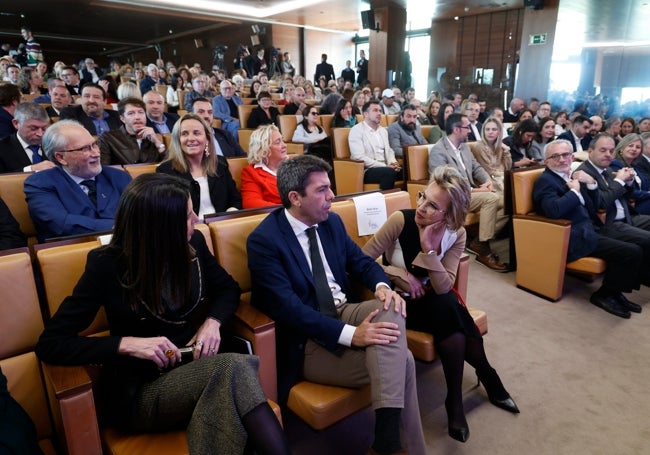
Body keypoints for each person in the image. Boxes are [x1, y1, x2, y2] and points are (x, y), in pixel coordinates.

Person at [35, 173, 290, 454]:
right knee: (234, 368)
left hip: (198, 370)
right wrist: (126, 344)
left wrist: (213, 322)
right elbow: (52, 343)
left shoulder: (195, 244)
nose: (196, 221)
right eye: (188, 216)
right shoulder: (107, 264)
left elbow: (228, 289)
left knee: (230, 381)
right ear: (161, 227)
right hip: (142, 389)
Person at [248, 155, 426, 455]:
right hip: (308, 339)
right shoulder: (264, 241)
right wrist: (351, 335)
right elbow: (290, 309)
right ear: (295, 198)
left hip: (345, 308)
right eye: (322, 190)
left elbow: (359, 262)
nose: (332, 196)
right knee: (404, 360)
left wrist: (382, 287)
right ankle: (395, 445)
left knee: (392, 307)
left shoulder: (331, 221)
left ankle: (386, 443)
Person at [362, 166, 519, 442]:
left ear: (449, 214)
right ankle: (486, 375)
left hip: (434, 300)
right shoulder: (401, 220)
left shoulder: (456, 233)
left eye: (432, 205)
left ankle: (455, 399)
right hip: (399, 302)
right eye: (423, 196)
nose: (421, 207)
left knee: (447, 305)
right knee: (451, 310)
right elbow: (361, 260)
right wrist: (398, 275)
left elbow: (444, 284)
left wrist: (430, 250)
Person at [533, 139, 644, 318]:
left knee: (636, 246)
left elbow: (593, 208)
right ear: (546, 161)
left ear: (572, 156)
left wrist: (591, 184)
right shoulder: (545, 181)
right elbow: (553, 211)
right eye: (556, 156)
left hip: (591, 228)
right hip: (573, 236)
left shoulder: (571, 175)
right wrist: (575, 192)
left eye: (566, 154)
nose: (562, 159)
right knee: (630, 252)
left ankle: (615, 292)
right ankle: (604, 295)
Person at [24, 120, 132, 241]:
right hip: (72, 251)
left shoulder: (119, 177)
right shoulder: (40, 183)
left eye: (95, 145)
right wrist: (118, 227)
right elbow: (60, 223)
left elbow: (140, 214)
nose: (96, 153)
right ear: (60, 157)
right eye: (85, 149)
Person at [429, 113, 508, 272]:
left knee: (507, 201)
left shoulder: (464, 147)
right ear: (457, 129)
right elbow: (446, 182)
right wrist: (476, 189)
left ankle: (478, 238)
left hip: (469, 192)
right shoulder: (439, 150)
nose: (470, 131)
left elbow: (477, 167)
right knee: (491, 199)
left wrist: (487, 181)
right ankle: (482, 247)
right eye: (467, 128)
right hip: (452, 196)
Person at [157, 113, 241, 218]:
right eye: (184, 134)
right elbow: (166, 213)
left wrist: (228, 216)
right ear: (177, 140)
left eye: (197, 133)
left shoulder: (220, 164)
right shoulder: (165, 171)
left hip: (221, 227)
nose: (191, 138)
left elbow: (235, 200)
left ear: (207, 139)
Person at [349, 100, 402, 190]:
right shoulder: (357, 130)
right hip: (367, 170)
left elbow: (389, 151)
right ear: (365, 114)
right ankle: (386, 202)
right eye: (375, 110)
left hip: (385, 167)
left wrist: (393, 163)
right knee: (388, 172)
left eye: (380, 111)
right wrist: (385, 166)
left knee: (406, 172)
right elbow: (358, 157)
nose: (379, 113)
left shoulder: (383, 131)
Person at [98, 97, 167, 165]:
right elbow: (104, 168)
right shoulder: (108, 138)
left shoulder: (153, 137)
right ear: (122, 119)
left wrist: (157, 143)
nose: (137, 117)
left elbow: (170, 166)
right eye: (131, 113)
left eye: (141, 112)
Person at [241, 124, 287, 208]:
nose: (284, 145)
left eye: (283, 140)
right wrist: (288, 211)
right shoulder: (251, 172)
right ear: (264, 149)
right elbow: (251, 203)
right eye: (278, 142)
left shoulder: (293, 164)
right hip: (278, 217)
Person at [471, 117, 512, 200]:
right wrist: (503, 174)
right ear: (483, 131)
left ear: (499, 132)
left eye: (494, 129)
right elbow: (489, 171)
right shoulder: (479, 147)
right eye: (487, 129)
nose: (490, 132)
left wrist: (506, 151)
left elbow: (507, 167)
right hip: (488, 181)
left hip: (500, 178)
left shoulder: (500, 146)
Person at [610, 133, 650, 214]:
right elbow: (626, 192)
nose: (634, 149)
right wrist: (647, 194)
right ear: (622, 148)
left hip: (643, 201)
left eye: (638, 147)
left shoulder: (635, 166)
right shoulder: (615, 164)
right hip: (629, 207)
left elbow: (646, 184)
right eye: (630, 145)